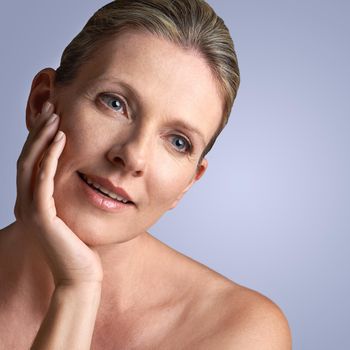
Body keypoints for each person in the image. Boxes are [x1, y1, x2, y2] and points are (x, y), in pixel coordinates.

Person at [0, 0, 292, 348]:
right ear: (41, 102)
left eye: (178, 142)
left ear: (189, 183)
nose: (133, 156)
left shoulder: (237, 331)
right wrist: (76, 290)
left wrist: (77, 286)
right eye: (115, 103)